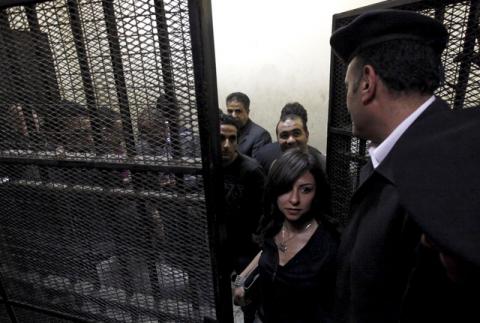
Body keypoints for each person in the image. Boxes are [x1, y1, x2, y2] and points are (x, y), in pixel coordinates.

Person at [330, 9, 479, 322]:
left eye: (347, 86)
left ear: (367, 83)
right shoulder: (388, 155)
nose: (346, 99)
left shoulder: (455, 173)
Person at [233, 148, 338, 323]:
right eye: (286, 189)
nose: (294, 199)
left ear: (317, 193)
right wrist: (241, 279)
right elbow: (267, 252)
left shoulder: (329, 244)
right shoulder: (275, 224)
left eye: (305, 190)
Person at [219, 113, 265, 323]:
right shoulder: (210, 166)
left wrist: (258, 242)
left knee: (245, 292)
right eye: (221, 138)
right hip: (221, 242)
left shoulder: (251, 170)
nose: (227, 145)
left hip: (246, 246)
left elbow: (265, 210)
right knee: (218, 290)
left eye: (232, 139)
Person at [255, 102, 326, 172]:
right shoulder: (263, 156)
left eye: (296, 133)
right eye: (284, 135)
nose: (291, 140)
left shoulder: (320, 162)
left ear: (306, 134)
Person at [225, 92, 271, 158]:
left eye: (238, 111)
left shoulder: (261, 135)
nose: (233, 115)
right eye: (230, 111)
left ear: (247, 112)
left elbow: (257, 166)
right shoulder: (223, 131)